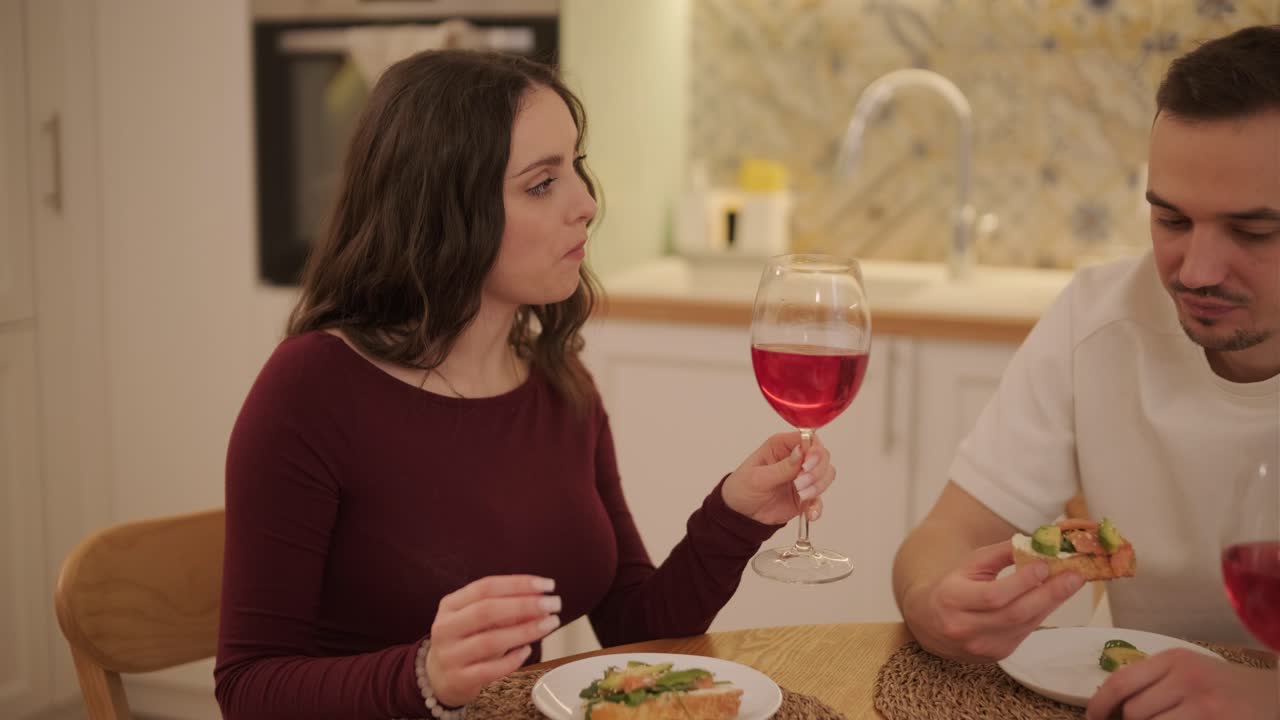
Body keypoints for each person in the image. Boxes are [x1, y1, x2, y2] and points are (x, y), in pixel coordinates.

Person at [213, 50, 837, 720]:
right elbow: (249, 688)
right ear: (443, 209)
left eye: (577, 168)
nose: (587, 205)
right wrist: (422, 676)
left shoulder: (561, 386)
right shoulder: (311, 390)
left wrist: (734, 516)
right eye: (541, 184)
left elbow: (635, 625)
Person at [892, 24, 1280, 720]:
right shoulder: (1097, 320)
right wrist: (935, 603)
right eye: (1171, 220)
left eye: (1254, 232)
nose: (1196, 271)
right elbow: (944, 537)